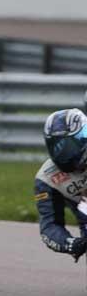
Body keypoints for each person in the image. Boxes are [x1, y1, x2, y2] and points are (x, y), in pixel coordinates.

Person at [35, 109, 87, 261]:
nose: (66, 152)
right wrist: (71, 244)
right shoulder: (47, 178)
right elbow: (49, 227)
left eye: (70, 144)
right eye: (58, 146)